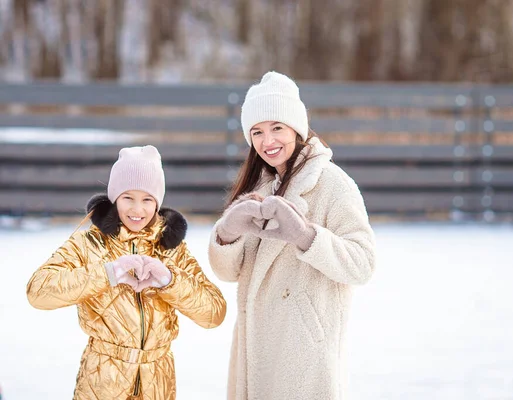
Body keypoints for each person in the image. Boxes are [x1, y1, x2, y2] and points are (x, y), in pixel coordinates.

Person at [208, 71, 376, 400]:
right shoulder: (260, 187)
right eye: (256, 132)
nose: (267, 141)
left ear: (296, 128)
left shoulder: (332, 184)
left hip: (304, 356)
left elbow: (363, 263)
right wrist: (228, 232)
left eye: (277, 128)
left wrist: (304, 236)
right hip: (255, 350)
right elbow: (228, 273)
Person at [26, 145, 227, 400]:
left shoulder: (171, 250)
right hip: (102, 381)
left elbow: (214, 313)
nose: (137, 210)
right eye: (128, 198)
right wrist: (108, 273)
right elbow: (38, 291)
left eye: (147, 199)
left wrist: (169, 280)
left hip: (158, 383)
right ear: (114, 198)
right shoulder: (89, 244)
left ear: (157, 202)